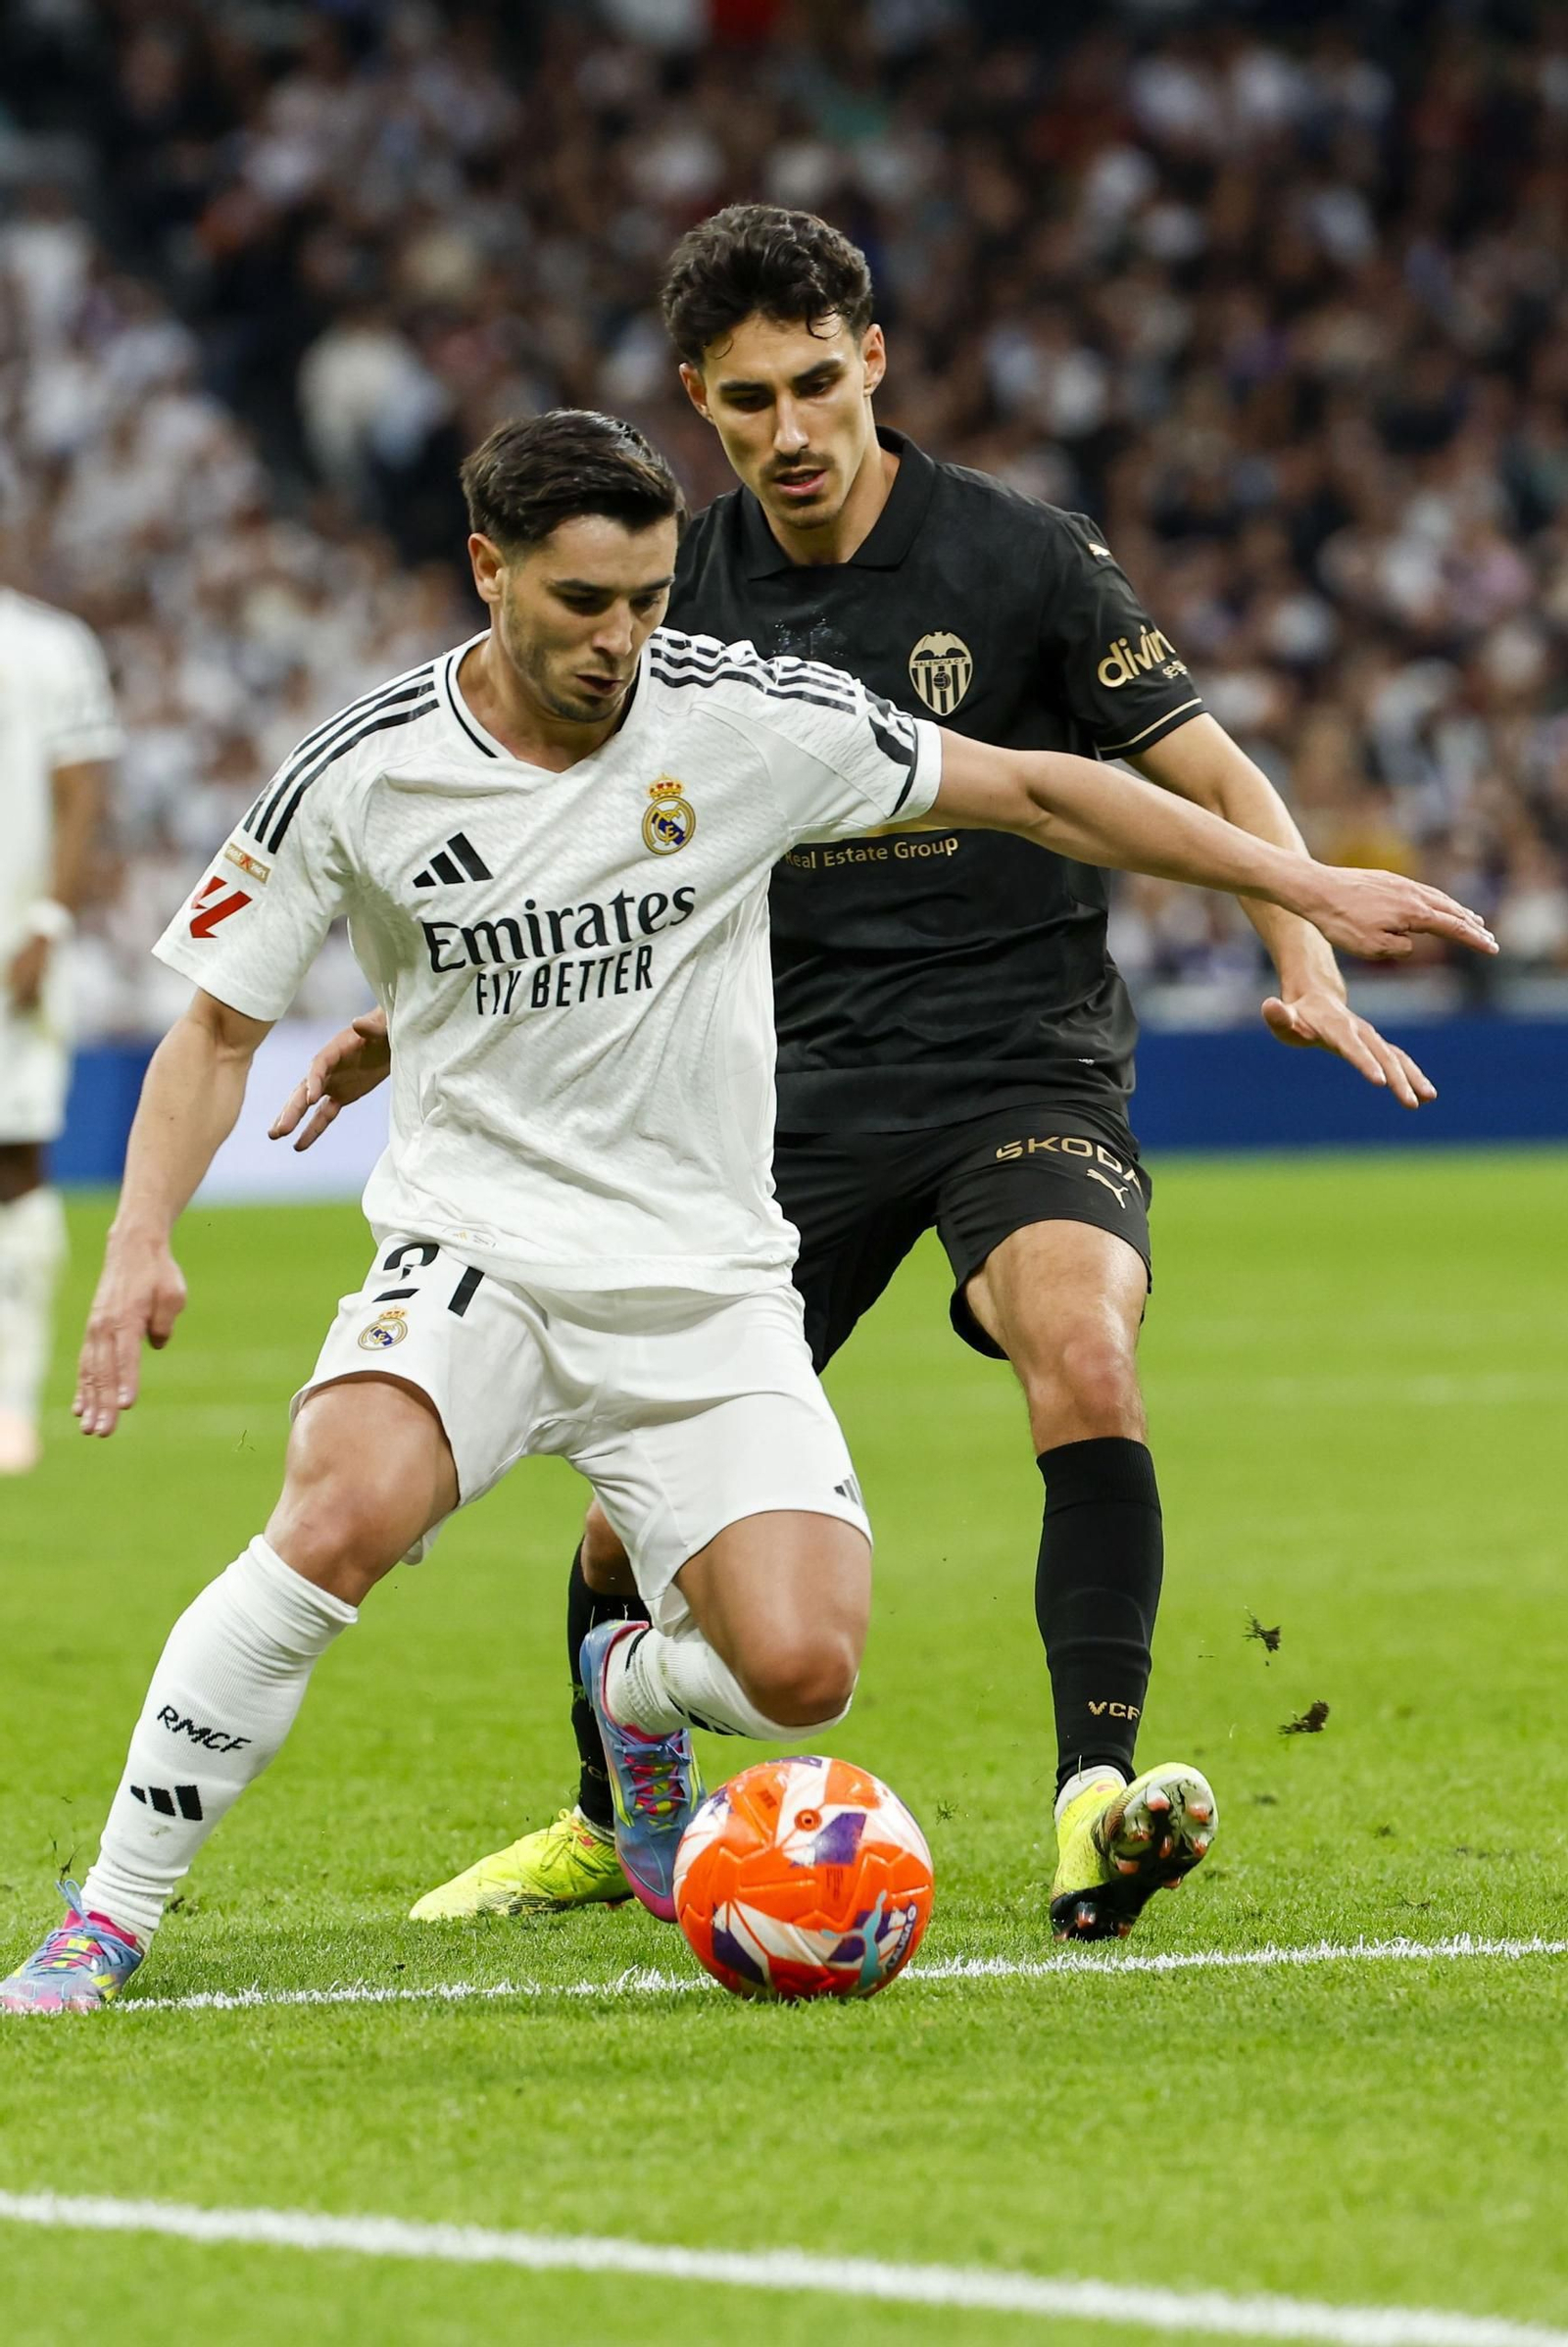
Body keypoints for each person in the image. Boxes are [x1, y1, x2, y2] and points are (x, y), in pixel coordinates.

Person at [0, 407, 1489, 2013]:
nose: (624, 638)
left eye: (647, 598)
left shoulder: (745, 720)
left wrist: (1301, 885)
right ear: (487, 571)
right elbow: (215, 1025)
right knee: (334, 1516)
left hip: (708, 1279)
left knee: (800, 1672)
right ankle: (111, 1917)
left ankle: (637, 1687)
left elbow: (1043, 793)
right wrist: (143, 1236)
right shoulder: (359, 773)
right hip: (481, 1251)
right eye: (583, 602)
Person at [321, 209, 1447, 1944]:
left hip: (1023, 1057)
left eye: (819, 386)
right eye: (748, 400)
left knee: (1082, 1344)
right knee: (638, 1520)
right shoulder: (668, 587)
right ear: (698, 399)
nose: (789, 432)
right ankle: (606, 1812)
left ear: (877, 364)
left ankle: (1094, 1800)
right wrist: (403, 1020)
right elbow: (554, 853)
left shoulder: (1018, 557)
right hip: (768, 1096)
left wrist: (1299, 947)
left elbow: (1209, 771)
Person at [0, 565, 121, 1475]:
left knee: (14, 1165)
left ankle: (10, 1401)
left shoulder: (46, 644)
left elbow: (81, 793)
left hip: (13, 954)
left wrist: (49, 920)